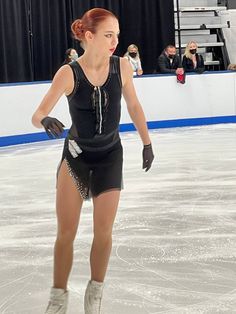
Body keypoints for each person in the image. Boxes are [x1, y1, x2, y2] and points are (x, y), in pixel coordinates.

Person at [31, 7, 154, 314]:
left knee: (104, 233)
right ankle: (58, 298)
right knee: (66, 233)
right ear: (89, 36)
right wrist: (45, 120)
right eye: (108, 35)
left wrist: (147, 142)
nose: (115, 41)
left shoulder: (122, 66)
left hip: (110, 156)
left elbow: (135, 106)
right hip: (76, 158)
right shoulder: (68, 72)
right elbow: (36, 114)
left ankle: (94, 294)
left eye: (117, 35)